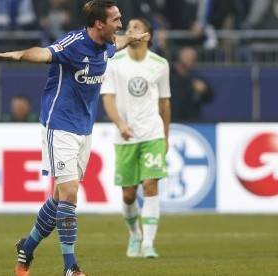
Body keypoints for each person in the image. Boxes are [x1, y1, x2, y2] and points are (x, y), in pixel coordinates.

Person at [0, 1, 148, 275]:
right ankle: (70, 267)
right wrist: (20, 54)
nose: (121, 24)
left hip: (83, 129)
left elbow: (117, 44)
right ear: (99, 24)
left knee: (58, 199)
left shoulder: (106, 45)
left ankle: (26, 249)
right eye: (117, 20)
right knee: (70, 193)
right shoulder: (73, 43)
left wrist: (131, 39)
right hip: (59, 123)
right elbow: (45, 53)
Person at [100, 17, 170, 259]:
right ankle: (135, 234)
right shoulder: (114, 62)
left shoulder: (160, 64)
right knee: (129, 193)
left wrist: (166, 136)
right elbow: (107, 97)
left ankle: (149, 243)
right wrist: (120, 124)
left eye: (135, 28)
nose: (130, 31)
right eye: (127, 28)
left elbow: (164, 103)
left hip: (152, 133)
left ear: (147, 35)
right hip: (125, 137)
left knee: (150, 185)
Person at [170, 46, 213, 122]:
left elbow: (210, 96)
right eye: (190, 58)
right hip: (171, 119)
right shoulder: (168, 75)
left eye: (193, 59)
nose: (192, 61)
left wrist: (204, 90)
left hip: (191, 121)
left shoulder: (194, 77)